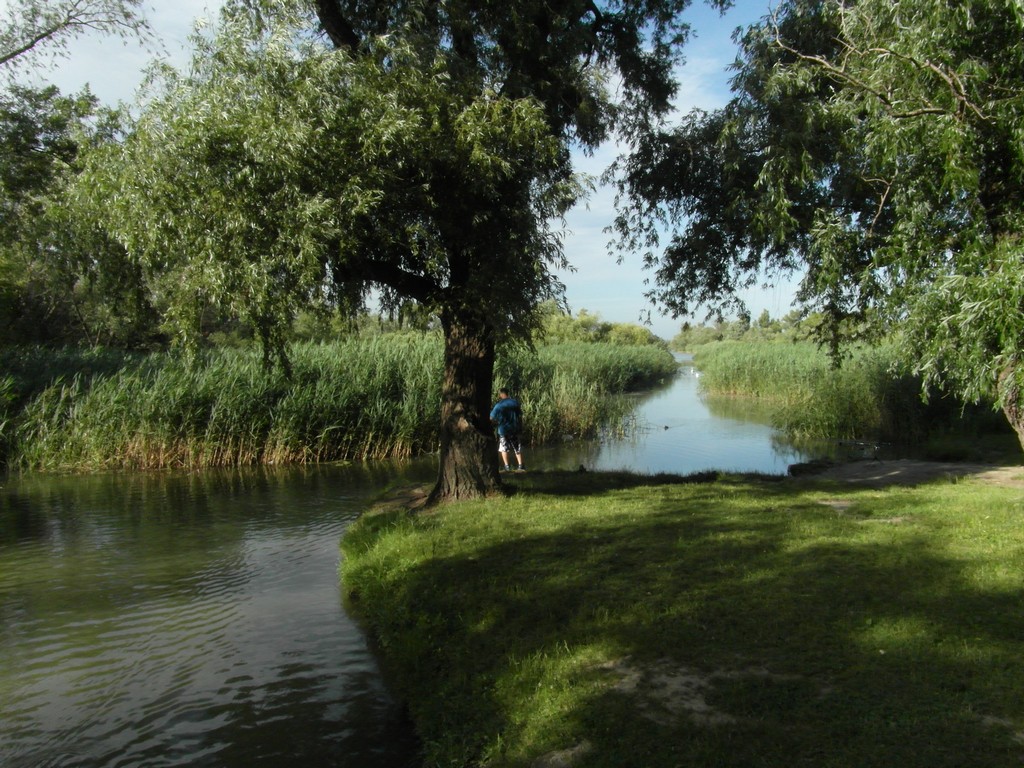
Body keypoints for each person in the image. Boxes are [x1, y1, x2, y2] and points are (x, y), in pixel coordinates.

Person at [490, 387, 524, 472]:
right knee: (517, 448)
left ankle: (507, 467)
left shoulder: (499, 405)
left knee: (503, 448)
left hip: (503, 430)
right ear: (507, 393)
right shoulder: (515, 403)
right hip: (514, 429)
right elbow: (520, 415)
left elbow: (491, 418)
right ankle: (520, 466)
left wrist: (495, 422)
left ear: (501, 394)